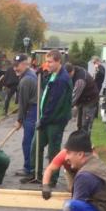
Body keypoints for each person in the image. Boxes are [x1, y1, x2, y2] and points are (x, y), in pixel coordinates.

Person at [31, 49, 73, 187]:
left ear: (58, 61)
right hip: (46, 119)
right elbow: (46, 90)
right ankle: (36, 174)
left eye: (49, 62)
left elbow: (53, 104)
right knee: (36, 146)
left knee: (53, 151)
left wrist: (42, 121)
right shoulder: (53, 74)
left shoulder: (62, 79)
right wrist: (42, 76)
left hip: (54, 121)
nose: (47, 64)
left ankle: (52, 179)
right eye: (46, 61)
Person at [12, 54, 38, 177]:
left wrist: (19, 120)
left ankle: (29, 169)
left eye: (18, 66)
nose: (15, 68)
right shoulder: (31, 73)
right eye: (14, 66)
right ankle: (32, 167)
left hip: (31, 111)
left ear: (25, 64)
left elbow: (23, 103)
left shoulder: (25, 80)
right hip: (34, 110)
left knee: (27, 142)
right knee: (32, 142)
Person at [65, 63, 100, 133]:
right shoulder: (75, 70)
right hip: (83, 100)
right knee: (80, 124)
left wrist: (65, 107)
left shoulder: (80, 79)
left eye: (67, 75)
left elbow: (74, 97)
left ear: (71, 72)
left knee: (86, 125)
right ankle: (80, 141)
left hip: (90, 101)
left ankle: (85, 142)